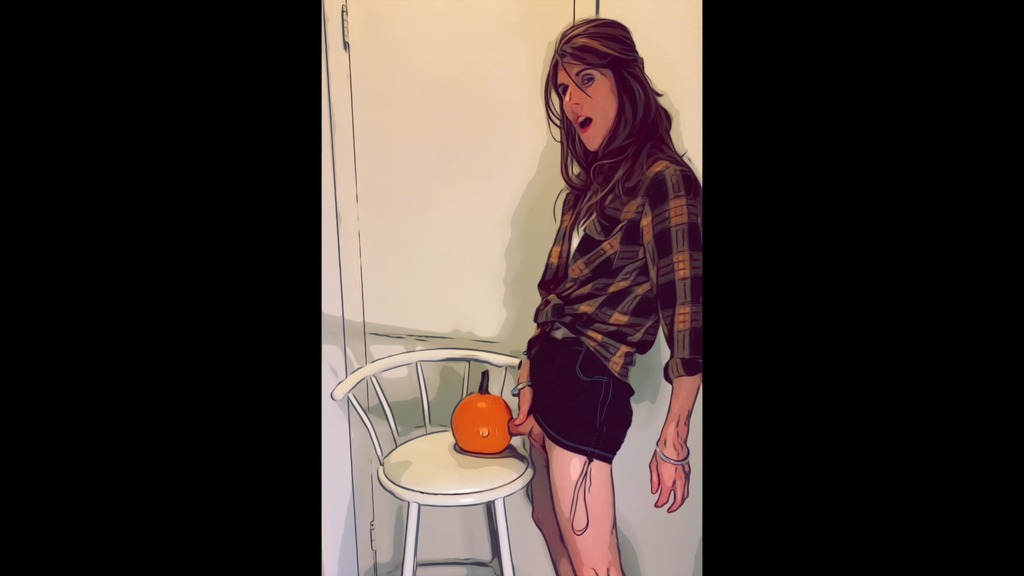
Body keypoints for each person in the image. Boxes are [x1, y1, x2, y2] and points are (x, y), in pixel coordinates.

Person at [507, 17, 702, 576]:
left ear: (625, 80)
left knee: (594, 565)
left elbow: (688, 319)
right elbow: (554, 297)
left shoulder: (665, 180)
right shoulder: (587, 190)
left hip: (588, 382)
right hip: (550, 377)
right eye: (563, 89)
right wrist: (527, 375)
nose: (571, 101)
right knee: (553, 532)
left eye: (586, 80)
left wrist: (674, 440)